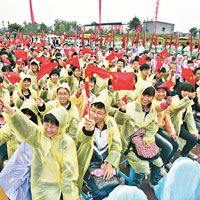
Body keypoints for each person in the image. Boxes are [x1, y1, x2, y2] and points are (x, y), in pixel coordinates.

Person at [0, 98, 79, 200]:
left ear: (61, 126)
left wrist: (68, 195)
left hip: (57, 188)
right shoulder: (40, 134)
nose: (49, 129)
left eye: (53, 127)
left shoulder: (67, 143)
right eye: (47, 125)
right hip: (39, 186)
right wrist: (11, 112)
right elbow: (27, 127)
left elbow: (69, 172)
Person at [115, 83, 163, 189]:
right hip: (128, 143)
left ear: (152, 97)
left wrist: (147, 138)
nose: (145, 98)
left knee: (159, 161)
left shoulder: (152, 110)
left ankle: (154, 183)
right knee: (142, 166)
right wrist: (122, 111)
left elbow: (153, 126)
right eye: (144, 95)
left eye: (149, 96)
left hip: (144, 141)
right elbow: (119, 121)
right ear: (140, 93)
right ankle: (135, 187)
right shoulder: (130, 107)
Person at [76, 95, 122, 199]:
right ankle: (91, 192)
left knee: (113, 188)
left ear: (106, 114)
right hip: (88, 164)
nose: (95, 115)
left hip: (105, 163)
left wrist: (110, 163)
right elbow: (80, 137)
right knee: (100, 193)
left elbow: (117, 145)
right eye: (93, 110)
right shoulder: (85, 121)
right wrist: (88, 131)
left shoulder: (111, 123)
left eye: (100, 113)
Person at [169, 82, 200, 159]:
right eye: (185, 91)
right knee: (176, 144)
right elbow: (176, 107)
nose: (187, 93)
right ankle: (170, 160)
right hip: (172, 125)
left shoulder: (188, 102)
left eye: (189, 91)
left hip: (180, 124)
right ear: (180, 90)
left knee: (194, 138)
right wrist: (188, 98)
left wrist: (194, 131)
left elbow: (190, 118)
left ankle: (183, 155)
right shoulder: (174, 99)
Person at [154, 82, 179, 174]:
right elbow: (157, 107)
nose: (161, 94)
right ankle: (159, 166)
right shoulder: (152, 101)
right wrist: (165, 104)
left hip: (159, 129)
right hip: (151, 131)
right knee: (168, 147)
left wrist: (172, 133)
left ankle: (166, 162)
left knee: (176, 144)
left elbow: (167, 119)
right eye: (158, 91)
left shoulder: (164, 102)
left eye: (163, 91)